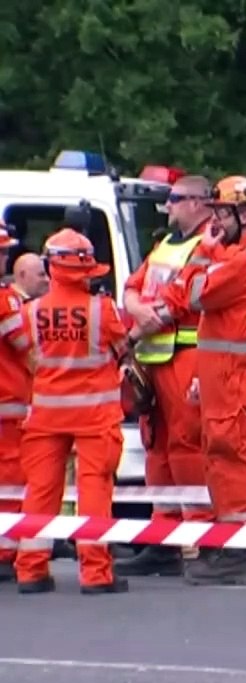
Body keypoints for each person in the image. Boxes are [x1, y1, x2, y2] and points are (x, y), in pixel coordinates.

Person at [153, 175, 246, 585]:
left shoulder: (243, 259)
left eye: (222, 214)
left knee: (230, 461)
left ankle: (235, 553)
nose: (216, 222)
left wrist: (205, 251)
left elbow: (194, 294)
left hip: (235, 380)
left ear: (244, 214)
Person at [14, 229, 130, 595]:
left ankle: (30, 570)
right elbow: (123, 347)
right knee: (94, 489)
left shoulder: (31, 312)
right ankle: (95, 574)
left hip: (47, 415)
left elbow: (28, 355)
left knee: (41, 492)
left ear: (51, 266)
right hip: (96, 415)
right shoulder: (103, 310)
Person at [115, 175, 218, 577]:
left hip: (185, 352)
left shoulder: (207, 244)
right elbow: (134, 285)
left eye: (174, 200)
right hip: (156, 356)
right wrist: (135, 306)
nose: (168, 207)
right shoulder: (166, 243)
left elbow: (180, 300)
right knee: (156, 446)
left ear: (197, 202)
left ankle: (197, 537)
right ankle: (164, 537)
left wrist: (136, 328)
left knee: (186, 445)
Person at [0, 223, 34, 582]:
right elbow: (28, 348)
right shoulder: (5, 299)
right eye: (2, 252)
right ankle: (5, 550)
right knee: (8, 482)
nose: (5, 257)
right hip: (7, 407)